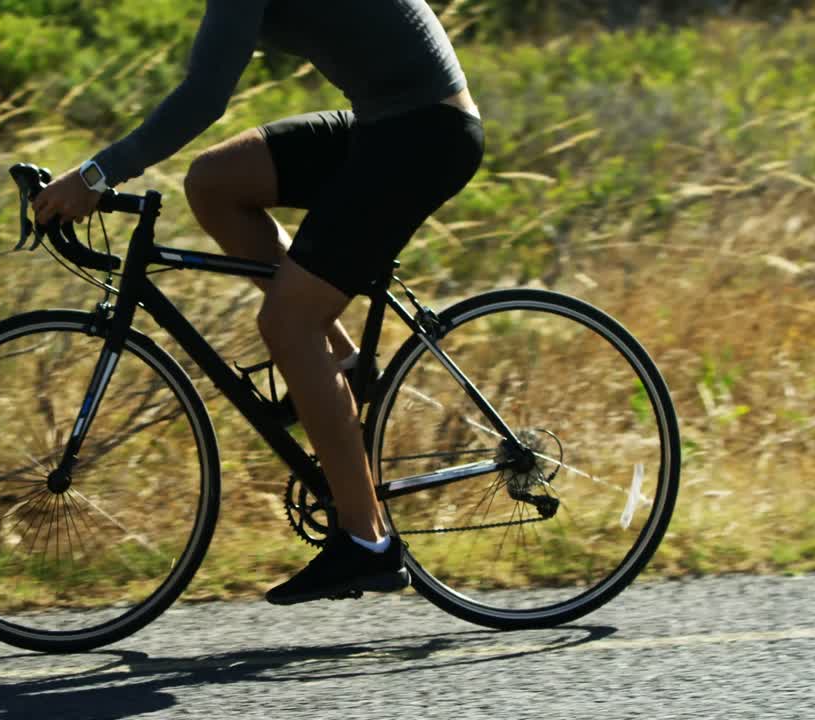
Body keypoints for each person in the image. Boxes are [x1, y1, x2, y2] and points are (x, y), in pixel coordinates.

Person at [33, 0, 484, 605]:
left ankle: (368, 543)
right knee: (215, 182)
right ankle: (344, 363)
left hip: (422, 135)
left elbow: (203, 96)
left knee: (287, 324)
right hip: (388, 122)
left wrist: (94, 176)